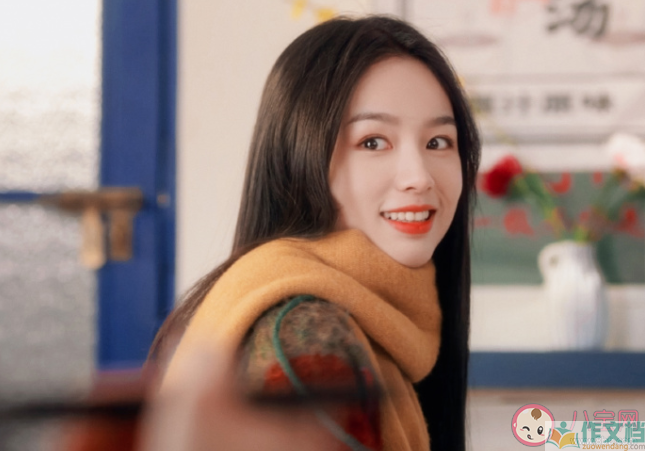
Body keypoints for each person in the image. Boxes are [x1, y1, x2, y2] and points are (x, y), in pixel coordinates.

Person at [149, 15, 480, 451]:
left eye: (438, 142)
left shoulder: (380, 320)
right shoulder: (305, 336)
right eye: (373, 142)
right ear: (301, 156)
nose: (419, 177)